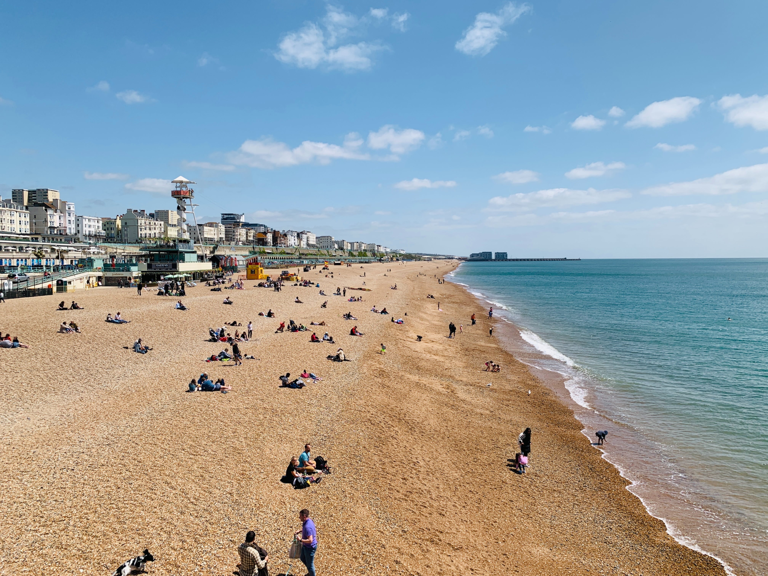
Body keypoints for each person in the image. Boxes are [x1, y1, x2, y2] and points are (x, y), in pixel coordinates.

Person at [294, 509, 318, 576]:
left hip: (310, 548)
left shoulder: (308, 526)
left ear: (304, 516)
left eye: (300, 516)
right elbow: (306, 529)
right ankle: (311, 572)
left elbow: (310, 540)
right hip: (306, 546)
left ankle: (312, 573)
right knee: (302, 558)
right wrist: (300, 531)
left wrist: (300, 540)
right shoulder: (309, 521)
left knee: (310, 565)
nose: (299, 517)